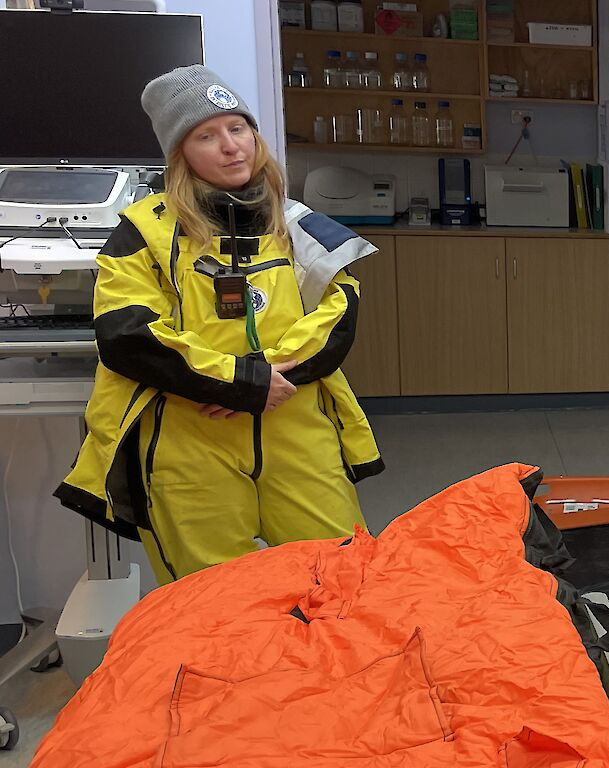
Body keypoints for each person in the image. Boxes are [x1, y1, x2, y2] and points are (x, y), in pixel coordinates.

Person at [55, 65, 382, 585]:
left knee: (343, 582)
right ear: (179, 153)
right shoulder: (142, 233)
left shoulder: (297, 225)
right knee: (211, 604)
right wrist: (235, 382)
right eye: (207, 136)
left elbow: (339, 311)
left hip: (294, 423)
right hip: (188, 439)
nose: (231, 147)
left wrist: (263, 380)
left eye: (238, 129)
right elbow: (127, 333)